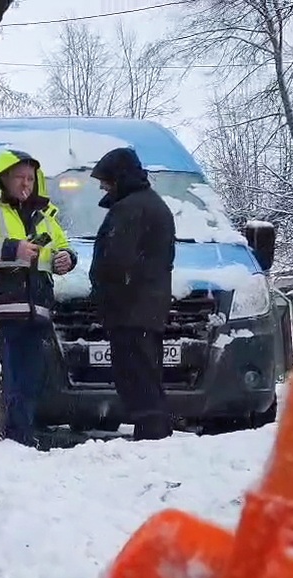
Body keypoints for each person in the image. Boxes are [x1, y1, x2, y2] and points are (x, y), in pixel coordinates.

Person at [0, 149, 77, 446]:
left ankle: (23, 435)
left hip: (38, 310)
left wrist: (67, 258)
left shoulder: (45, 214)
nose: (26, 184)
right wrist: (13, 250)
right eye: (19, 178)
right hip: (4, 309)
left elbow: (62, 246)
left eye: (30, 178)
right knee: (8, 381)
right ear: (3, 179)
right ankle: (12, 438)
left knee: (31, 381)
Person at [88, 147, 175, 441]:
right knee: (146, 375)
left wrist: (103, 291)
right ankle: (153, 430)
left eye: (106, 180)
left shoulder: (129, 209)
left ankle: (151, 434)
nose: (102, 186)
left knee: (136, 377)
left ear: (119, 178)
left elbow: (114, 260)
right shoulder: (151, 205)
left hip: (129, 308)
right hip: (145, 306)